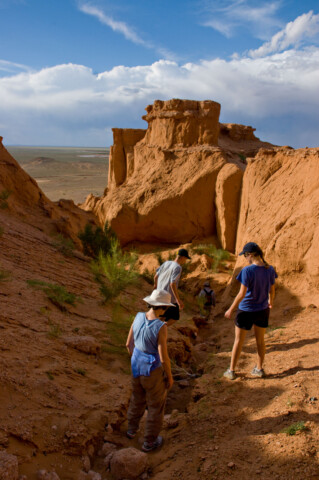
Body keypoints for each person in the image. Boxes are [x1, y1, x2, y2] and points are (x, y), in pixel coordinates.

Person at [126, 289, 174, 452]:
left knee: (137, 399)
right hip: (152, 370)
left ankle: (131, 430)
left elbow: (128, 344)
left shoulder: (138, 316)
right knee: (155, 406)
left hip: (136, 365)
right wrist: (169, 376)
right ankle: (149, 442)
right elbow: (163, 357)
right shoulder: (161, 326)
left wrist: (136, 358)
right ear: (162, 307)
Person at [223, 242, 277, 380]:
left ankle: (231, 371)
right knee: (260, 341)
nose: (245, 258)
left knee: (238, 341)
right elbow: (272, 289)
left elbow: (241, 294)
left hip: (246, 309)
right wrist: (271, 301)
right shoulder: (269, 269)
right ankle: (259, 369)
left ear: (251, 255)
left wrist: (230, 309)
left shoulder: (247, 271)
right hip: (262, 310)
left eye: (245, 255)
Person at [154, 248, 191, 323]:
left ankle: (157, 329)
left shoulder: (166, 263)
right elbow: (172, 283)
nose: (185, 261)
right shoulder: (178, 267)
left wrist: (155, 287)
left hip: (158, 294)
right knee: (175, 317)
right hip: (168, 298)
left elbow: (155, 277)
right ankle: (160, 330)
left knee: (162, 315)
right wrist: (178, 300)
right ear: (183, 257)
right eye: (186, 259)